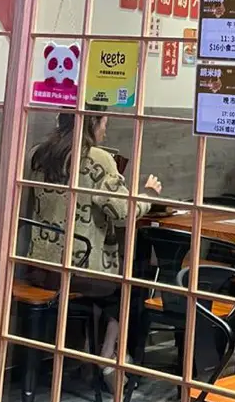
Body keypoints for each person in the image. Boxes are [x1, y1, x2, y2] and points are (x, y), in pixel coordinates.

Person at [27, 107, 163, 366]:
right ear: (93, 124)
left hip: (39, 268)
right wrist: (148, 195)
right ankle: (108, 356)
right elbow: (122, 212)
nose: (105, 131)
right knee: (133, 284)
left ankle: (97, 350)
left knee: (116, 284)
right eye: (104, 124)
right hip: (78, 271)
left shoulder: (40, 154)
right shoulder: (98, 157)